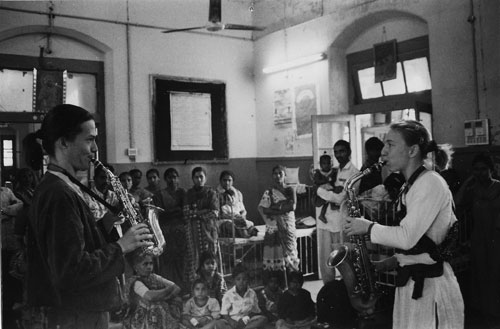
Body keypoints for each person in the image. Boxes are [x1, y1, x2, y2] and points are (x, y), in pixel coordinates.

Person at [25, 104, 154, 329]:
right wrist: (121, 246)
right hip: (77, 315)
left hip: (80, 312)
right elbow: (71, 270)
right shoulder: (59, 194)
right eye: (89, 139)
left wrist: (107, 223)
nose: (95, 148)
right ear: (63, 142)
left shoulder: (62, 185)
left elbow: (75, 243)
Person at [344, 120, 464, 329]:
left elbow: (408, 237)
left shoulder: (430, 182)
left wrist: (368, 227)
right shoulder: (410, 186)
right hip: (413, 284)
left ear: (412, 151)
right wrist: (393, 260)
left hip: (431, 288)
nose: (383, 152)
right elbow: (424, 243)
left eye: (390, 144)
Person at [455, 153, 500, 325]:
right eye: (476, 170)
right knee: (480, 275)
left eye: (483, 169)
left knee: (496, 275)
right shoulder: (473, 190)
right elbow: (457, 202)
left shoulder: (498, 188)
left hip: (496, 238)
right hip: (479, 238)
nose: (480, 173)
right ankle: (485, 315)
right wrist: (467, 182)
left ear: (491, 170)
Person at [315, 140, 359, 283]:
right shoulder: (335, 171)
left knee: (342, 259)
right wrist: (328, 192)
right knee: (325, 260)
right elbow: (333, 193)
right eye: (336, 152)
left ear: (349, 152)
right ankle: (329, 290)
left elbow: (341, 198)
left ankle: (346, 291)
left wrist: (320, 191)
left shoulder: (354, 173)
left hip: (340, 223)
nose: (339, 154)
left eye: (342, 151)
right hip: (326, 222)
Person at [123, 249, 183, 329]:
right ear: (136, 267)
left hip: (157, 315)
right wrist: (167, 290)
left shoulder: (154, 277)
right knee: (155, 305)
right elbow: (150, 296)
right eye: (145, 264)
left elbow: (177, 288)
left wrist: (166, 297)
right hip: (140, 317)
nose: (149, 267)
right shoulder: (135, 282)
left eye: (151, 263)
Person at [258, 165, 300, 278]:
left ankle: (292, 280)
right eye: (275, 174)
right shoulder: (269, 192)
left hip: (287, 227)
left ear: (285, 175)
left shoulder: (290, 189)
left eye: (280, 173)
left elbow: (292, 207)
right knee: (274, 254)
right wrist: (280, 208)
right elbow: (264, 209)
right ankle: (277, 281)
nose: (277, 176)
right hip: (274, 227)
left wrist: (276, 208)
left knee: (291, 254)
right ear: (272, 176)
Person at [152, 168, 187, 289]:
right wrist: (175, 211)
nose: (172, 180)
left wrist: (173, 212)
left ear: (178, 178)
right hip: (165, 229)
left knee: (181, 258)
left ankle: (183, 286)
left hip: (181, 229)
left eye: (174, 177)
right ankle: (168, 286)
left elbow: (185, 211)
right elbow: (160, 213)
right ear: (165, 179)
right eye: (169, 177)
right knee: (167, 259)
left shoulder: (183, 193)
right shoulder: (159, 195)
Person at [184, 166, 220, 285]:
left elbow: (214, 212)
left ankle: (212, 283)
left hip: (209, 230)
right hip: (193, 230)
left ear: (205, 178)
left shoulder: (211, 193)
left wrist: (197, 214)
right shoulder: (189, 194)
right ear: (192, 179)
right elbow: (186, 213)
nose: (199, 180)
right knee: (194, 256)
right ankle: (196, 285)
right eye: (196, 177)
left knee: (209, 255)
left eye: (201, 177)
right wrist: (203, 211)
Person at [1, 184, 24, 328]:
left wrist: (6, 211)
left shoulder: (6, 191)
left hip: (10, 240)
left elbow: (20, 206)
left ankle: (10, 307)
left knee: (11, 274)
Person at [220, 264, 267, 329]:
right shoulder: (228, 295)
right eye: (238, 279)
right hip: (233, 322)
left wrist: (247, 318)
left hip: (248, 321)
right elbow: (224, 313)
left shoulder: (252, 293)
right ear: (234, 280)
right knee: (220, 323)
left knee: (263, 319)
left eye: (244, 279)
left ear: (248, 280)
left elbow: (256, 311)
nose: (241, 282)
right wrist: (231, 321)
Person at [217, 170, 257, 239]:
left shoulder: (238, 193)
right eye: (224, 180)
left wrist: (241, 217)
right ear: (220, 181)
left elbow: (243, 210)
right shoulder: (216, 195)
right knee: (230, 226)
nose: (227, 183)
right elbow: (219, 214)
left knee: (250, 224)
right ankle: (244, 233)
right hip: (224, 220)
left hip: (238, 218)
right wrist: (233, 218)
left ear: (232, 182)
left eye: (229, 180)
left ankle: (244, 232)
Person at [312, 154, 337, 224]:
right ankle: (322, 214)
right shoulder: (318, 172)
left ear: (331, 163)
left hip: (329, 189)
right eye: (324, 163)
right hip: (321, 189)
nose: (326, 165)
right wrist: (326, 180)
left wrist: (331, 180)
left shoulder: (333, 172)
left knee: (330, 196)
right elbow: (317, 181)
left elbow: (334, 180)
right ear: (320, 164)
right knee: (327, 199)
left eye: (328, 163)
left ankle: (332, 206)